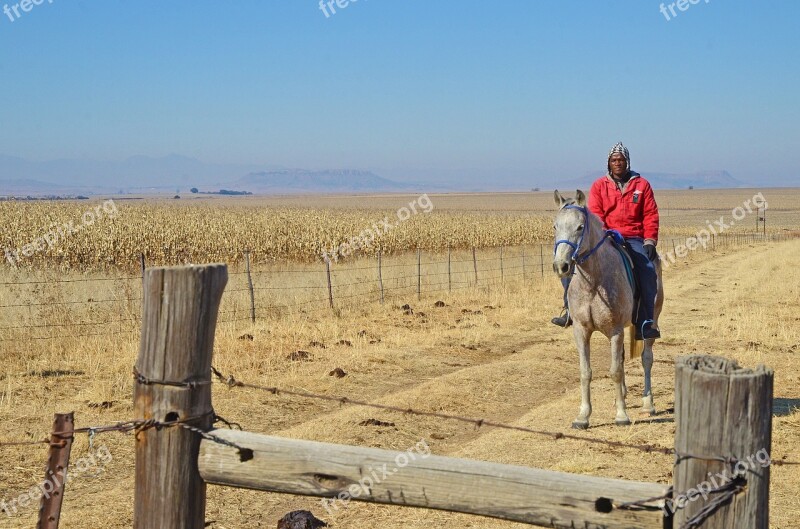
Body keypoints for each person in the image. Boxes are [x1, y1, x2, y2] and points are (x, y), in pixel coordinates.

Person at [551, 142, 661, 340]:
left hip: (633, 237)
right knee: (572, 265)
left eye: (621, 160)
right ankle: (569, 311)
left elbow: (650, 214)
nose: (617, 163)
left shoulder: (641, 185)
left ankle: (645, 321)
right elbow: (596, 214)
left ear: (627, 162)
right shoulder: (599, 186)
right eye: (614, 160)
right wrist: (604, 234)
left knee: (648, 270)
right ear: (608, 163)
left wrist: (650, 241)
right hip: (606, 237)